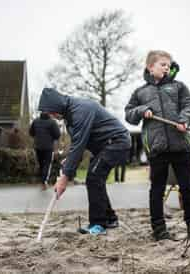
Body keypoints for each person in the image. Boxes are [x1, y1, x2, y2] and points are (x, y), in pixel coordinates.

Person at [125, 50, 190, 241]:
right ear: (150, 67)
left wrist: (184, 119)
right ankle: (159, 230)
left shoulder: (179, 87)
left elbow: (189, 106)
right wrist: (142, 110)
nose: (166, 68)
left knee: (187, 188)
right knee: (157, 189)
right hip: (157, 148)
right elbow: (129, 114)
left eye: (168, 65)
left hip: (181, 145)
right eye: (162, 64)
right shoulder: (140, 92)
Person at [38, 88, 131, 235]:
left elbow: (79, 144)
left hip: (116, 142)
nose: (50, 116)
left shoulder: (80, 110)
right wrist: (69, 161)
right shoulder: (69, 117)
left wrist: (65, 178)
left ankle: (98, 223)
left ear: (55, 106)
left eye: (49, 112)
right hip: (103, 147)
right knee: (96, 178)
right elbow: (78, 146)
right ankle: (110, 218)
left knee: (94, 178)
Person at [29, 112, 61, 190]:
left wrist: (37, 136)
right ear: (49, 113)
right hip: (48, 147)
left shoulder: (35, 121)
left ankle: (42, 181)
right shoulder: (52, 122)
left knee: (41, 164)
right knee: (47, 164)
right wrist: (52, 137)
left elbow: (31, 132)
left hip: (38, 146)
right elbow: (57, 134)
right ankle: (43, 182)